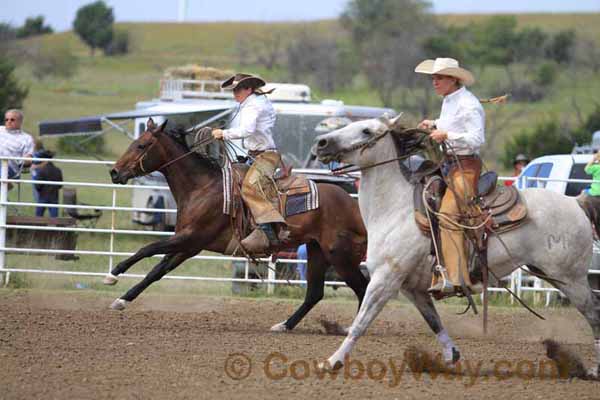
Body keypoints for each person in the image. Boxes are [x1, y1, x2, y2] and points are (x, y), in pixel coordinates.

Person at [415, 57, 485, 298]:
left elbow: (476, 139)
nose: (434, 82)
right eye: (433, 78)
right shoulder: (450, 100)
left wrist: (447, 135)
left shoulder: (469, 104)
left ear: (453, 79)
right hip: (448, 164)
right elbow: (449, 123)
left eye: (439, 78)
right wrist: (434, 123)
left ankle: (457, 278)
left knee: (447, 215)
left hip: (466, 166)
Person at [211, 73, 287, 253]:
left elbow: (247, 129)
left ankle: (267, 231)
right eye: (233, 90)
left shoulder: (253, 105)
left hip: (265, 156)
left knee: (251, 186)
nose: (234, 94)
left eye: (237, 90)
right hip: (256, 154)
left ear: (248, 89)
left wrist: (223, 134)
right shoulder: (256, 102)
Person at [0, 109, 35, 189]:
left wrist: (27, 159)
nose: (9, 121)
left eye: (12, 119)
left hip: (11, 168)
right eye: (6, 119)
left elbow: (28, 157)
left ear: (20, 122)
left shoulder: (26, 138)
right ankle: (5, 195)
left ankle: (6, 187)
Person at [31, 149, 63, 217]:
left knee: (38, 216)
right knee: (54, 217)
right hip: (54, 196)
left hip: (43, 195)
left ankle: (39, 226)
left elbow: (37, 185)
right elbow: (60, 185)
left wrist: (40, 190)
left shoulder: (41, 171)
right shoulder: (57, 170)